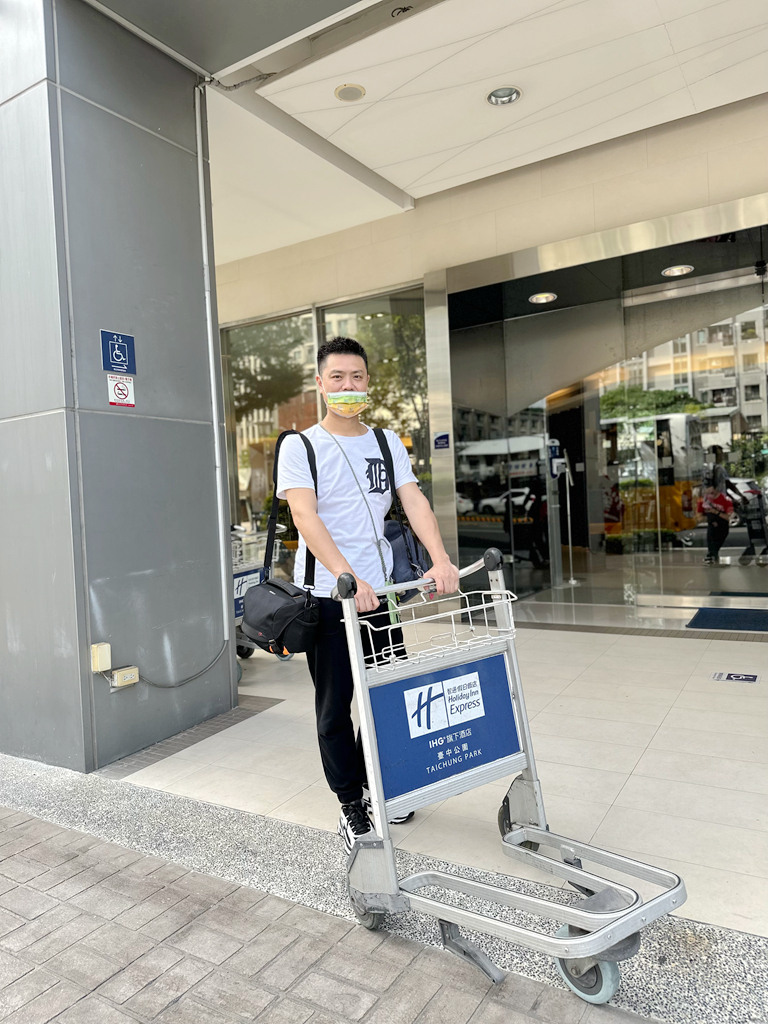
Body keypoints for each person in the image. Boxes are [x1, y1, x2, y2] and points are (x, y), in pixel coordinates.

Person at [276, 337, 459, 852]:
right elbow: (304, 517)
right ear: (320, 383)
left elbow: (414, 501)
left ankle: (380, 787)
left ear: (367, 382)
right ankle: (350, 804)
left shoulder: (385, 442)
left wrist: (440, 558)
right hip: (331, 595)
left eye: (357, 377)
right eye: (337, 377)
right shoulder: (301, 446)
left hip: (383, 594)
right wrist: (346, 577)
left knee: (386, 697)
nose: (348, 386)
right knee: (337, 706)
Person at [697, 483, 734, 565]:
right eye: (707, 493)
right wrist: (709, 519)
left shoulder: (725, 499)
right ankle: (712, 555)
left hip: (722, 524)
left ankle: (713, 554)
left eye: (711, 492)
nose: (709, 495)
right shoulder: (703, 500)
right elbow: (699, 516)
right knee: (711, 539)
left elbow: (729, 517)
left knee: (718, 540)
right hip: (712, 525)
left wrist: (715, 512)